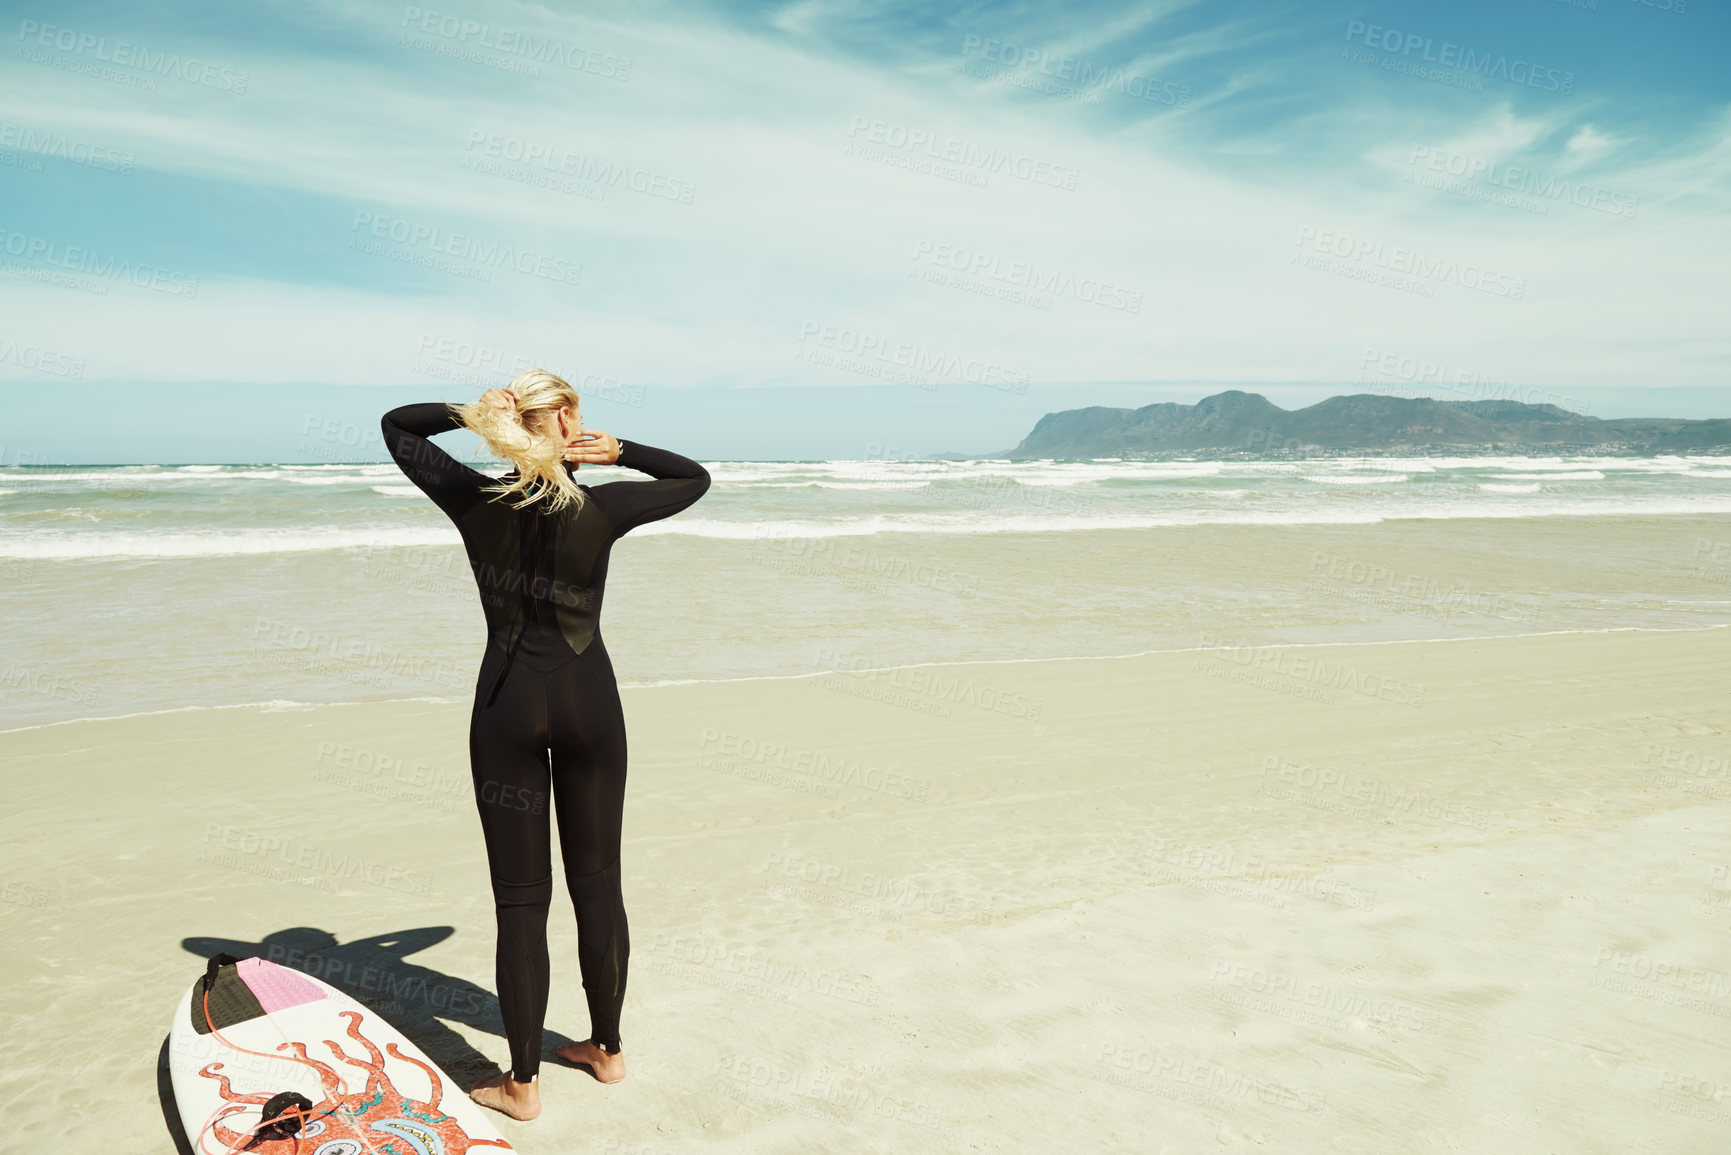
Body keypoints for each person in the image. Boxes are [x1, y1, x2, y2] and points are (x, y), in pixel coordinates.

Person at [381, 369, 710, 1120]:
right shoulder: (606, 505)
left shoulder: (472, 499)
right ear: (567, 421)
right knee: (598, 882)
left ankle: (522, 1083)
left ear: (511, 422)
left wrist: (470, 413)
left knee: (520, 902)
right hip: (591, 706)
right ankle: (607, 1049)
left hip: (505, 712)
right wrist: (619, 450)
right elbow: (693, 477)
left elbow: (397, 425)